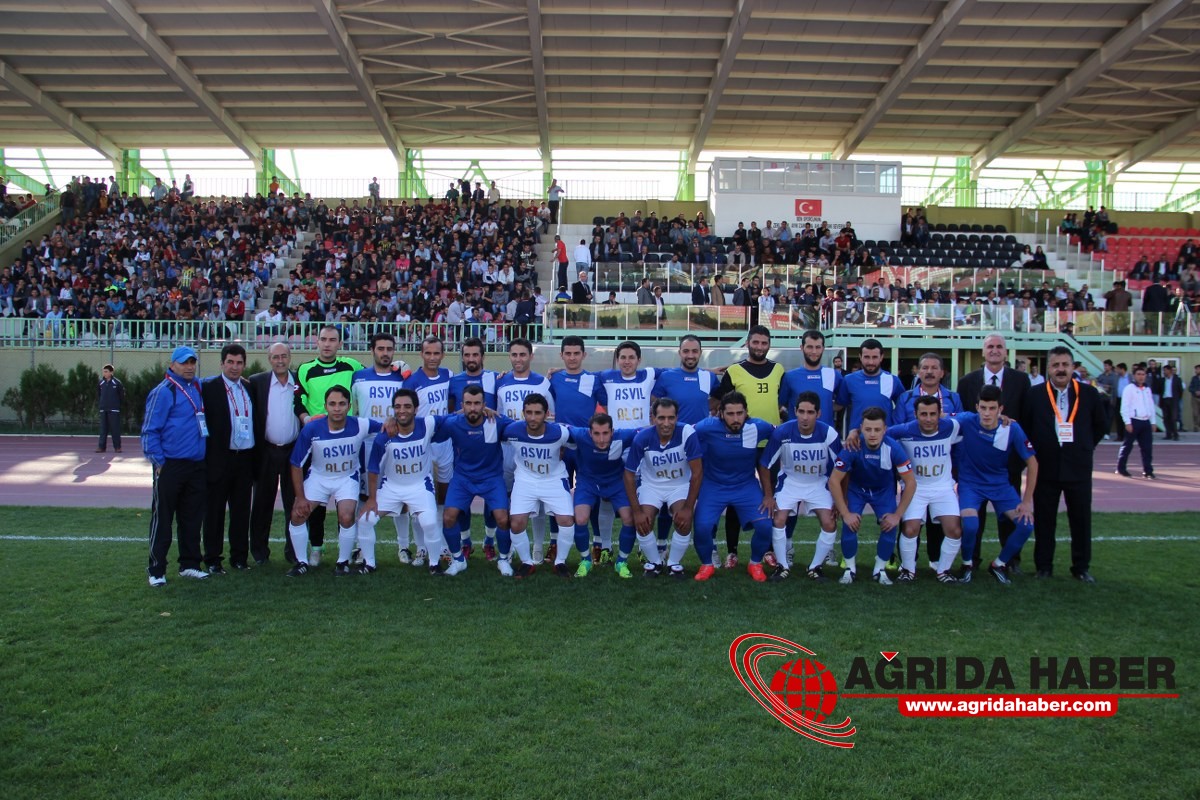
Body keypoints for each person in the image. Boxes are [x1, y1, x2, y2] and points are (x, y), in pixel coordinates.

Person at [1021, 346, 1108, 583]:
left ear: (1072, 367)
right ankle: (1044, 566)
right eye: (1056, 365)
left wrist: (1084, 446)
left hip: (1078, 469)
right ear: (1048, 368)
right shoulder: (1035, 394)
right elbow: (1026, 427)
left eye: (1065, 365)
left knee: (1081, 520)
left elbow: (1101, 425)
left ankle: (1081, 567)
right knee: (1044, 520)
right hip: (1045, 468)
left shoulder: (1089, 394)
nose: (1061, 369)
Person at [286, 386, 382, 577]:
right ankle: (301, 562)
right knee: (297, 514)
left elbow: (386, 428)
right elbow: (296, 464)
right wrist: (300, 497)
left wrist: (392, 423)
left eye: (341, 404)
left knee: (346, 517)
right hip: (319, 478)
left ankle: (342, 562)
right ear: (325, 406)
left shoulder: (360, 424)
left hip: (347, 478)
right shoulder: (312, 429)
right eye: (332, 404)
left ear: (349, 406)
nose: (337, 408)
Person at [956, 333, 1032, 569]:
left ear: (1006, 352)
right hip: (974, 465)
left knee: (1010, 517)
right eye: (990, 346)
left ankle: (1010, 561)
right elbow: (962, 420)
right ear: (983, 351)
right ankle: (973, 560)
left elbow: (1026, 417)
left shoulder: (1021, 380)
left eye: (999, 346)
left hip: (1007, 463)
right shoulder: (967, 381)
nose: (995, 350)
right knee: (973, 517)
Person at [712, 325, 784, 567]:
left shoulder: (778, 370)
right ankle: (732, 551)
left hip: (770, 444)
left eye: (764, 343)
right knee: (735, 496)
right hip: (740, 443)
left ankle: (768, 549)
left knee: (769, 496)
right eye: (756, 342)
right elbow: (719, 403)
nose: (760, 347)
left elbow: (781, 403)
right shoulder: (734, 371)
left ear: (769, 345)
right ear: (748, 343)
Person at [359, 389, 450, 576]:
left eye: (407, 406)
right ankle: (369, 563)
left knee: (429, 522)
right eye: (398, 407)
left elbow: (453, 418)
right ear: (393, 409)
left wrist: (481, 410)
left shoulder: (427, 424)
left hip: (420, 485)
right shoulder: (385, 436)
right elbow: (373, 468)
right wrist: (372, 498)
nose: (402, 410)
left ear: (416, 409)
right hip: (391, 487)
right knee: (365, 521)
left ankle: (434, 564)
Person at [954, 385, 1039, 585]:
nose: (987, 413)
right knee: (971, 525)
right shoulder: (966, 420)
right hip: (970, 484)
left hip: (1000, 485)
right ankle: (967, 564)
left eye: (992, 408)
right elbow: (939, 418)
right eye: (983, 408)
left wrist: (1027, 502)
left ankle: (999, 564)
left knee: (1026, 525)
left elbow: (1033, 463)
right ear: (977, 407)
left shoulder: (1011, 428)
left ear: (1000, 409)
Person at [295, 325, 365, 565]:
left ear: (340, 344)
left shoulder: (352, 366)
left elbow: (373, 375)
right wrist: (306, 419)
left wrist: (398, 367)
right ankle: (316, 547)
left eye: (332, 340)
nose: (327, 344)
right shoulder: (305, 369)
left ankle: (346, 551)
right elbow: (298, 401)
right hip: (317, 443)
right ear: (317, 342)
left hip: (347, 441)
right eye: (323, 339)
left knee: (346, 501)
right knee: (317, 501)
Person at [141, 346, 209, 586]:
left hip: (196, 465)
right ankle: (156, 570)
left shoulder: (197, 386)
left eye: (192, 362)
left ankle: (189, 564)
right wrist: (159, 462)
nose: (189, 367)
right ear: (172, 365)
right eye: (184, 363)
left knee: (192, 518)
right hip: (170, 465)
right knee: (163, 519)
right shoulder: (164, 391)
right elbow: (150, 430)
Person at [692, 392, 777, 582]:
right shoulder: (707, 427)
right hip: (713, 486)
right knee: (702, 527)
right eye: (730, 414)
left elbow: (783, 432)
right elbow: (681, 432)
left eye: (740, 413)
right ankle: (706, 565)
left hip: (745, 485)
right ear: (720, 413)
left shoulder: (758, 427)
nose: (736, 418)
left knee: (765, 526)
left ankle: (755, 563)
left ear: (746, 412)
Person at [828, 406, 916, 585]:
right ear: (861, 428)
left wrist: (897, 515)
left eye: (877, 429)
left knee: (889, 525)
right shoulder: (853, 446)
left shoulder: (893, 448)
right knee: (850, 524)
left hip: (883, 492)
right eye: (868, 429)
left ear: (885, 429)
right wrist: (845, 513)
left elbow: (911, 482)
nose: (873, 434)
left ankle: (880, 569)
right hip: (857, 490)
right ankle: (849, 569)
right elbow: (834, 480)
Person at [436, 385, 519, 575]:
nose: (472, 408)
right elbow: (431, 426)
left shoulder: (496, 421)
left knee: (503, 518)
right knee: (448, 517)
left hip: (491, 478)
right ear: (462, 405)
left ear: (484, 405)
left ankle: (503, 559)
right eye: (468, 403)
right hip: (463, 478)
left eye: (477, 403)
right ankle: (458, 560)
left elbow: (522, 427)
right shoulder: (453, 423)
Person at [759, 391, 841, 582]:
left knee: (829, 522)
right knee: (778, 519)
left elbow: (842, 467)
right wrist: (768, 496)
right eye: (801, 411)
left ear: (818, 413)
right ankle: (782, 566)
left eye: (810, 412)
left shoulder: (828, 434)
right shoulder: (782, 432)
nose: (805, 417)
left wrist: (840, 500)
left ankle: (815, 567)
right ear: (795, 411)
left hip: (819, 483)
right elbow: (764, 464)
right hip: (790, 482)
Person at [886, 396, 963, 583]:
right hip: (915, 488)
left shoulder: (950, 426)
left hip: (943, 487)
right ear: (915, 414)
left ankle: (943, 571)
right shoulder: (904, 430)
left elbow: (973, 418)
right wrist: (855, 433)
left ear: (939, 414)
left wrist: (1000, 418)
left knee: (954, 530)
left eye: (932, 414)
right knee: (910, 529)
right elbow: (879, 433)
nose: (928, 419)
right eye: (923, 414)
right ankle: (908, 570)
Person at [623, 397, 702, 579]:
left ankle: (674, 563)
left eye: (671, 418)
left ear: (677, 418)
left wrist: (688, 508)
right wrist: (637, 511)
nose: (666, 423)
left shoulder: (687, 433)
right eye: (661, 418)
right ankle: (655, 563)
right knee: (643, 521)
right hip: (651, 485)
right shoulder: (642, 438)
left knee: (684, 520)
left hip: (679, 485)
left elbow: (697, 473)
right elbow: (628, 475)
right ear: (653, 418)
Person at [502, 394, 575, 578]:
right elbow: (494, 426)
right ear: (523, 413)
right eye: (529, 413)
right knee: (516, 523)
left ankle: (560, 562)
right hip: (525, 479)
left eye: (537, 413)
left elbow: (582, 438)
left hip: (554, 479)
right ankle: (527, 562)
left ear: (547, 414)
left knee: (566, 521)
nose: (533, 417)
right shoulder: (512, 430)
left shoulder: (560, 432)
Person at [200, 343, 256, 574]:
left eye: (239, 363)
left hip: (245, 459)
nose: (235, 367)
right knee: (214, 512)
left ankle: (239, 558)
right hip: (219, 458)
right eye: (230, 362)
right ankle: (213, 559)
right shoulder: (208, 388)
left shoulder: (249, 387)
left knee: (241, 511)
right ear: (222, 363)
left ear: (244, 364)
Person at [249, 342, 304, 565]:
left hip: (293, 451)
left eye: (284, 356)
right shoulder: (257, 382)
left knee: (294, 503)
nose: (280, 361)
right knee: (262, 504)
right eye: (275, 357)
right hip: (266, 451)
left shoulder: (300, 381)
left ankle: (294, 551)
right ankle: (259, 553)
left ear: (289, 358)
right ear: (269, 359)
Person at [568, 413, 640, 578]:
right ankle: (585, 560)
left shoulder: (624, 436)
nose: (601, 439)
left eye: (605, 433)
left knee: (629, 519)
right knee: (580, 519)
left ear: (612, 431)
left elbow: (647, 431)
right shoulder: (580, 435)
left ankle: (621, 562)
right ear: (590, 432)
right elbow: (558, 427)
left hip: (616, 482)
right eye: (597, 434)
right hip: (588, 482)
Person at [835, 337, 905, 433]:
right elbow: (839, 405)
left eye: (874, 357)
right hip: (856, 438)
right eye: (867, 357)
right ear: (860, 357)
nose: (870, 362)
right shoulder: (849, 380)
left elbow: (903, 407)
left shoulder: (892, 380)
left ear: (881, 357)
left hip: (885, 437)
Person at [778, 329, 843, 428]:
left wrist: (826, 407)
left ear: (823, 348)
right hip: (796, 435)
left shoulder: (834, 375)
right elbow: (782, 404)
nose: (814, 351)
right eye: (810, 347)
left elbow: (841, 404)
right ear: (802, 348)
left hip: (825, 434)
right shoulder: (789, 376)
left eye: (818, 347)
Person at [1117, 364, 1156, 479]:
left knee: (1147, 448)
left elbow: (1151, 406)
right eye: (1138, 374)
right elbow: (1124, 406)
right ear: (1134, 376)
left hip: (1145, 421)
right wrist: (1127, 422)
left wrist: (1153, 421)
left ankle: (1148, 471)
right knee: (1127, 446)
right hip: (1134, 421)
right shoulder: (1129, 388)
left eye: (1143, 374)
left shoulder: (1147, 389)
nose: (1141, 377)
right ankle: (1121, 468)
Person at [96, 363, 124, 453]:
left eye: (106, 371)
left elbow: (121, 395)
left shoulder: (117, 383)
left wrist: (117, 405)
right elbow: (98, 394)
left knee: (115, 429)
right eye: (103, 372)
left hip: (114, 409)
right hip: (103, 409)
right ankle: (101, 447)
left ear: (111, 372)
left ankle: (117, 447)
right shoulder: (101, 383)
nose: (104, 373)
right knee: (103, 429)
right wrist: (101, 404)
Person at [1157, 364, 1183, 440]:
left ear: (1170, 371)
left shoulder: (1177, 379)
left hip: (1173, 400)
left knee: (1173, 418)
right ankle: (1168, 434)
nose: (1164, 372)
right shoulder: (1162, 380)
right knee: (1165, 418)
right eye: (1163, 370)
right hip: (1164, 400)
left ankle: (1175, 434)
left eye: (1165, 370)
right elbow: (1159, 390)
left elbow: (1180, 391)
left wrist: (1176, 399)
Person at [1190, 364, 1200, 432]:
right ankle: (1196, 427)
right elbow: (1190, 388)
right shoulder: (1194, 378)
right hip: (1195, 398)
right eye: (1195, 369)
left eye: (1197, 369)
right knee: (1195, 413)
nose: (1196, 371)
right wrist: (1195, 391)